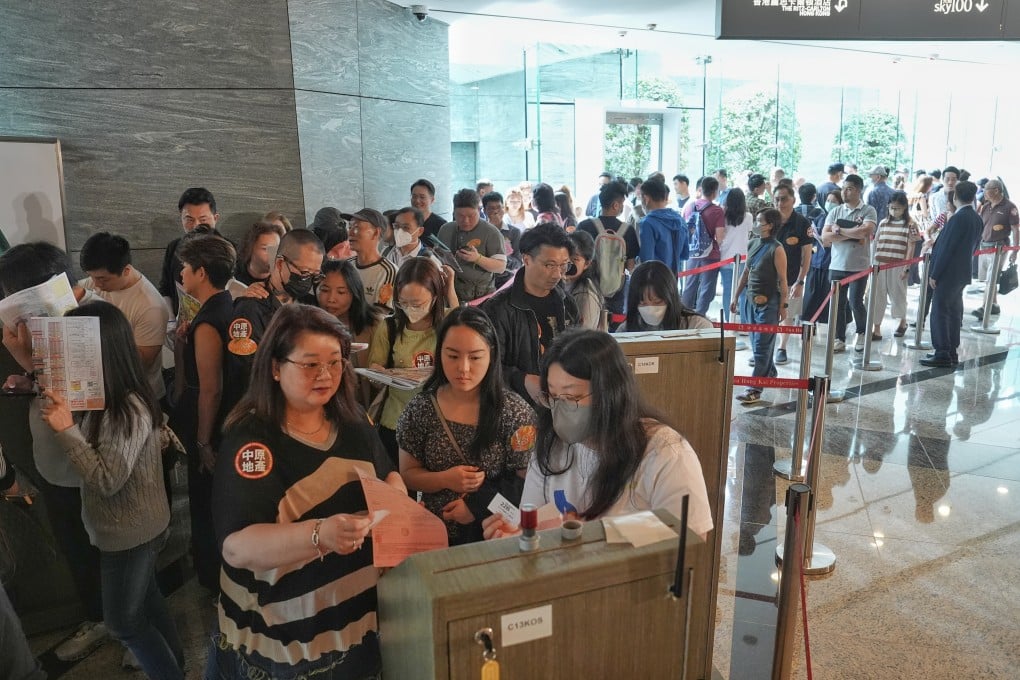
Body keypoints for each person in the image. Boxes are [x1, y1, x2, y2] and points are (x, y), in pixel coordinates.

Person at [210, 304, 402, 679]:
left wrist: (394, 501)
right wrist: (321, 534)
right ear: (275, 367)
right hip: (286, 642)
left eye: (335, 362)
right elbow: (237, 547)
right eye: (310, 364)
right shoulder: (253, 444)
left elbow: (388, 474)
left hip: (357, 625)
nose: (325, 375)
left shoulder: (352, 421)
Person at [40, 301, 184, 680]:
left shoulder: (126, 407)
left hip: (131, 532)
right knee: (149, 600)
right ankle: (177, 666)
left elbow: (106, 480)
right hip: (125, 527)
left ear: (99, 350)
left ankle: (169, 674)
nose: (65, 356)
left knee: (123, 623)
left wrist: (65, 429)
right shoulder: (98, 396)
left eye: (72, 347)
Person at [482, 329, 712, 540]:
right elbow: (531, 522)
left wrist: (597, 532)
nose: (560, 409)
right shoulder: (551, 444)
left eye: (571, 398)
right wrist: (516, 535)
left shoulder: (664, 451)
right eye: (553, 396)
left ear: (609, 394)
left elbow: (692, 535)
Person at [1, 242, 111, 662]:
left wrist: (25, 360)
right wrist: (28, 380)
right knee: (76, 545)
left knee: (109, 550)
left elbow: (87, 399)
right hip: (54, 461)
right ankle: (99, 617)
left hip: (92, 459)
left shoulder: (98, 319)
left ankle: (128, 626)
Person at [397, 307, 535, 545]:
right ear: (439, 353)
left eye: (475, 357)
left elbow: (527, 482)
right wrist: (445, 479)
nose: (463, 368)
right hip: (433, 537)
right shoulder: (422, 408)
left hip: (493, 537)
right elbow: (408, 474)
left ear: (491, 354)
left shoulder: (514, 411)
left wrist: (476, 505)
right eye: (452, 356)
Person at [173, 234, 237, 592]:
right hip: (218, 423)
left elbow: (211, 388)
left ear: (200, 271)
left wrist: (202, 441)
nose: (181, 273)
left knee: (205, 502)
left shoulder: (210, 320)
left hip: (211, 426)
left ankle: (214, 580)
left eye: (185, 267)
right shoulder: (224, 305)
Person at [366, 257, 455, 465]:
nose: (410, 309)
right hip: (396, 421)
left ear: (435, 297)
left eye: (417, 304)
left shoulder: (449, 323)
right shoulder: (388, 327)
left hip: (441, 423)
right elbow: (375, 371)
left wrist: (451, 291)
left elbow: (464, 330)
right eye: (403, 303)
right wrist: (378, 374)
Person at [482, 223, 579, 406]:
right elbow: (486, 366)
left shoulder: (567, 303)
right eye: (549, 265)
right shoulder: (498, 309)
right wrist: (523, 379)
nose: (558, 274)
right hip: (515, 408)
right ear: (526, 260)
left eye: (563, 266)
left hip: (561, 405)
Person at [78, 232, 170, 400]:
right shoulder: (96, 282)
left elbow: (140, 364)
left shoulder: (150, 306)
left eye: (102, 279)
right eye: (91, 277)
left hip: (137, 397)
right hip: (104, 388)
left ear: (126, 270)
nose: (96, 284)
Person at [923, 181, 983, 368]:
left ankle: (942, 351)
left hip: (948, 272)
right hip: (961, 271)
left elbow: (946, 248)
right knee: (954, 312)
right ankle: (951, 350)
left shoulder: (958, 218)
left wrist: (935, 273)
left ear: (955, 196)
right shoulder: (976, 218)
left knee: (940, 311)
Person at [731, 209, 789, 405]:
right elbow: (746, 272)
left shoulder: (777, 248)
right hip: (749, 300)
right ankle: (769, 371)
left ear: (770, 225)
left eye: (759, 221)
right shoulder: (752, 243)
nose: (756, 224)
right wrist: (736, 296)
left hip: (769, 302)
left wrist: (783, 305)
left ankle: (754, 388)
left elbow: (783, 280)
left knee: (762, 346)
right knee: (757, 343)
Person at [822, 174, 877, 353]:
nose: (845, 192)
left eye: (849, 188)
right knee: (837, 304)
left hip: (859, 265)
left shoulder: (868, 210)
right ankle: (839, 338)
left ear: (859, 190)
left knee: (855, 301)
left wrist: (840, 231)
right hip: (837, 265)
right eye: (843, 188)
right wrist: (852, 233)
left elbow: (865, 232)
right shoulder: (836, 211)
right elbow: (826, 237)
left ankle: (862, 333)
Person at [438, 188, 507, 302]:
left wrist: (478, 258)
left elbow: (501, 267)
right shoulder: (446, 229)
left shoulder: (491, 232)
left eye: (471, 215)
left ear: (479, 210)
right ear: (454, 212)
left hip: (480, 295)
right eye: (460, 215)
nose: (466, 220)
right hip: (450, 291)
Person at [159, 187, 219, 314]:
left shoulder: (229, 250)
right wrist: (170, 321)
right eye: (189, 219)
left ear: (215, 218)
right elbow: (165, 289)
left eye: (203, 220)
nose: (196, 225)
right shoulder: (174, 248)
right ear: (181, 218)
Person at [771, 183, 812, 366]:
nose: (780, 203)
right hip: (768, 276)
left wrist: (800, 281)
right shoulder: (769, 220)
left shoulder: (802, 223)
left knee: (787, 313)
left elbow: (807, 255)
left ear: (793, 200)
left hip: (792, 277)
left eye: (784, 199)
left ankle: (782, 347)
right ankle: (765, 348)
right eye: (777, 199)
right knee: (767, 313)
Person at [871, 191, 920, 339]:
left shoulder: (911, 224)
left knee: (898, 295)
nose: (894, 211)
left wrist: (906, 267)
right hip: (880, 263)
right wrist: (873, 263)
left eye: (897, 208)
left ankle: (902, 322)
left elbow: (911, 246)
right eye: (891, 208)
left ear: (904, 207)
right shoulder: (883, 222)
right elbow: (876, 242)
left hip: (897, 264)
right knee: (877, 297)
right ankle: (877, 328)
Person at [617, 260, 712, 332]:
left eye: (657, 301)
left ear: (671, 297)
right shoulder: (626, 330)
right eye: (642, 303)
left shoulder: (697, 327)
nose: (650, 308)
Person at [971, 178, 1019, 319]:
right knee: (987, 279)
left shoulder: (1010, 207)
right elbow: (981, 226)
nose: (984, 192)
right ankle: (994, 305)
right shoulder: (986, 206)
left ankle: (984, 307)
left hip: (999, 248)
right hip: (984, 247)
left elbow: (1016, 229)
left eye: (986, 189)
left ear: (996, 190)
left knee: (991, 280)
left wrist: (1015, 250)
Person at [680, 176, 726, 315]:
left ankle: (684, 315)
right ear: (715, 192)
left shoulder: (689, 206)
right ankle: (700, 315)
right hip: (710, 254)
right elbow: (719, 237)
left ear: (701, 189)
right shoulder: (717, 211)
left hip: (692, 253)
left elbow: (684, 229)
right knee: (707, 287)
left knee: (689, 285)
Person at [345, 208, 398, 311]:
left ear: (376, 233)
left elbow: (380, 316)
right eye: (349, 227)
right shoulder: (346, 266)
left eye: (356, 227)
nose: (350, 233)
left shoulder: (388, 272)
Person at [638, 175, 689, 277]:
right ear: (665, 197)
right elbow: (685, 254)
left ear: (646, 198)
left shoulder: (647, 223)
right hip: (672, 279)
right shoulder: (680, 220)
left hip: (653, 280)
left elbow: (646, 260)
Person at [718, 187, 752, 322]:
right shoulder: (748, 217)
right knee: (742, 292)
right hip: (743, 257)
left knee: (727, 291)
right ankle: (743, 323)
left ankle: (728, 320)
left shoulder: (723, 215)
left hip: (725, 257)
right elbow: (749, 233)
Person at [563, 231, 604, 330]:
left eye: (575, 259)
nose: (568, 263)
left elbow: (583, 333)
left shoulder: (584, 293)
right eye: (566, 257)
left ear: (587, 264)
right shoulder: (567, 284)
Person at [233, 221, 285, 288]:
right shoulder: (233, 273)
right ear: (250, 248)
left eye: (277, 249)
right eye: (266, 249)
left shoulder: (285, 278)